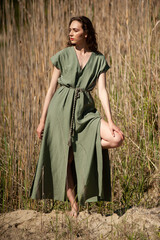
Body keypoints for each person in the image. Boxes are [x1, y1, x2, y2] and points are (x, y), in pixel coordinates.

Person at [30, 16, 124, 218]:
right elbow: (51, 89)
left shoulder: (99, 59)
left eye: (75, 30)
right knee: (64, 159)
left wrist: (111, 119)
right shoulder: (63, 55)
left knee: (117, 139)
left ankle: (84, 147)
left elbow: (102, 92)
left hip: (85, 112)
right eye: (69, 30)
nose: (70, 33)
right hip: (60, 109)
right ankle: (73, 205)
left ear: (86, 33)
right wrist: (42, 120)